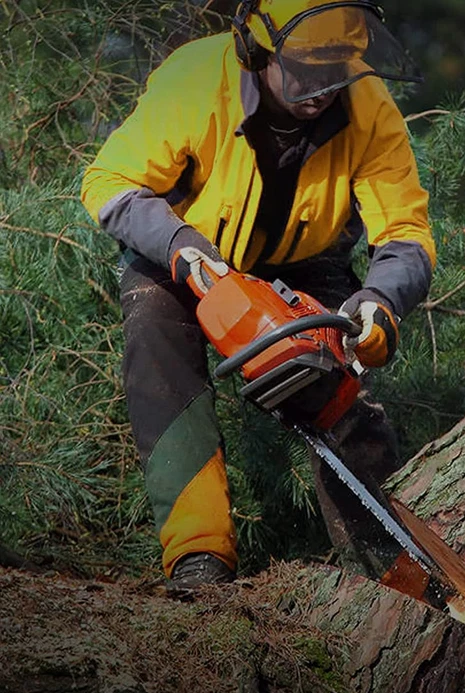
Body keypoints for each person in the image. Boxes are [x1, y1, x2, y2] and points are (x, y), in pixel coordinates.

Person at [80, 0, 436, 588]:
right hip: (187, 251)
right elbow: (110, 182)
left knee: (338, 386)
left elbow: (405, 234)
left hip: (304, 263)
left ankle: (387, 565)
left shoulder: (370, 109)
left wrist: (381, 301)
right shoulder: (198, 79)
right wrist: (182, 248)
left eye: (337, 70)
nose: (322, 88)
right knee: (156, 342)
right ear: (258, 49)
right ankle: (198, 554)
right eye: (307, 68)